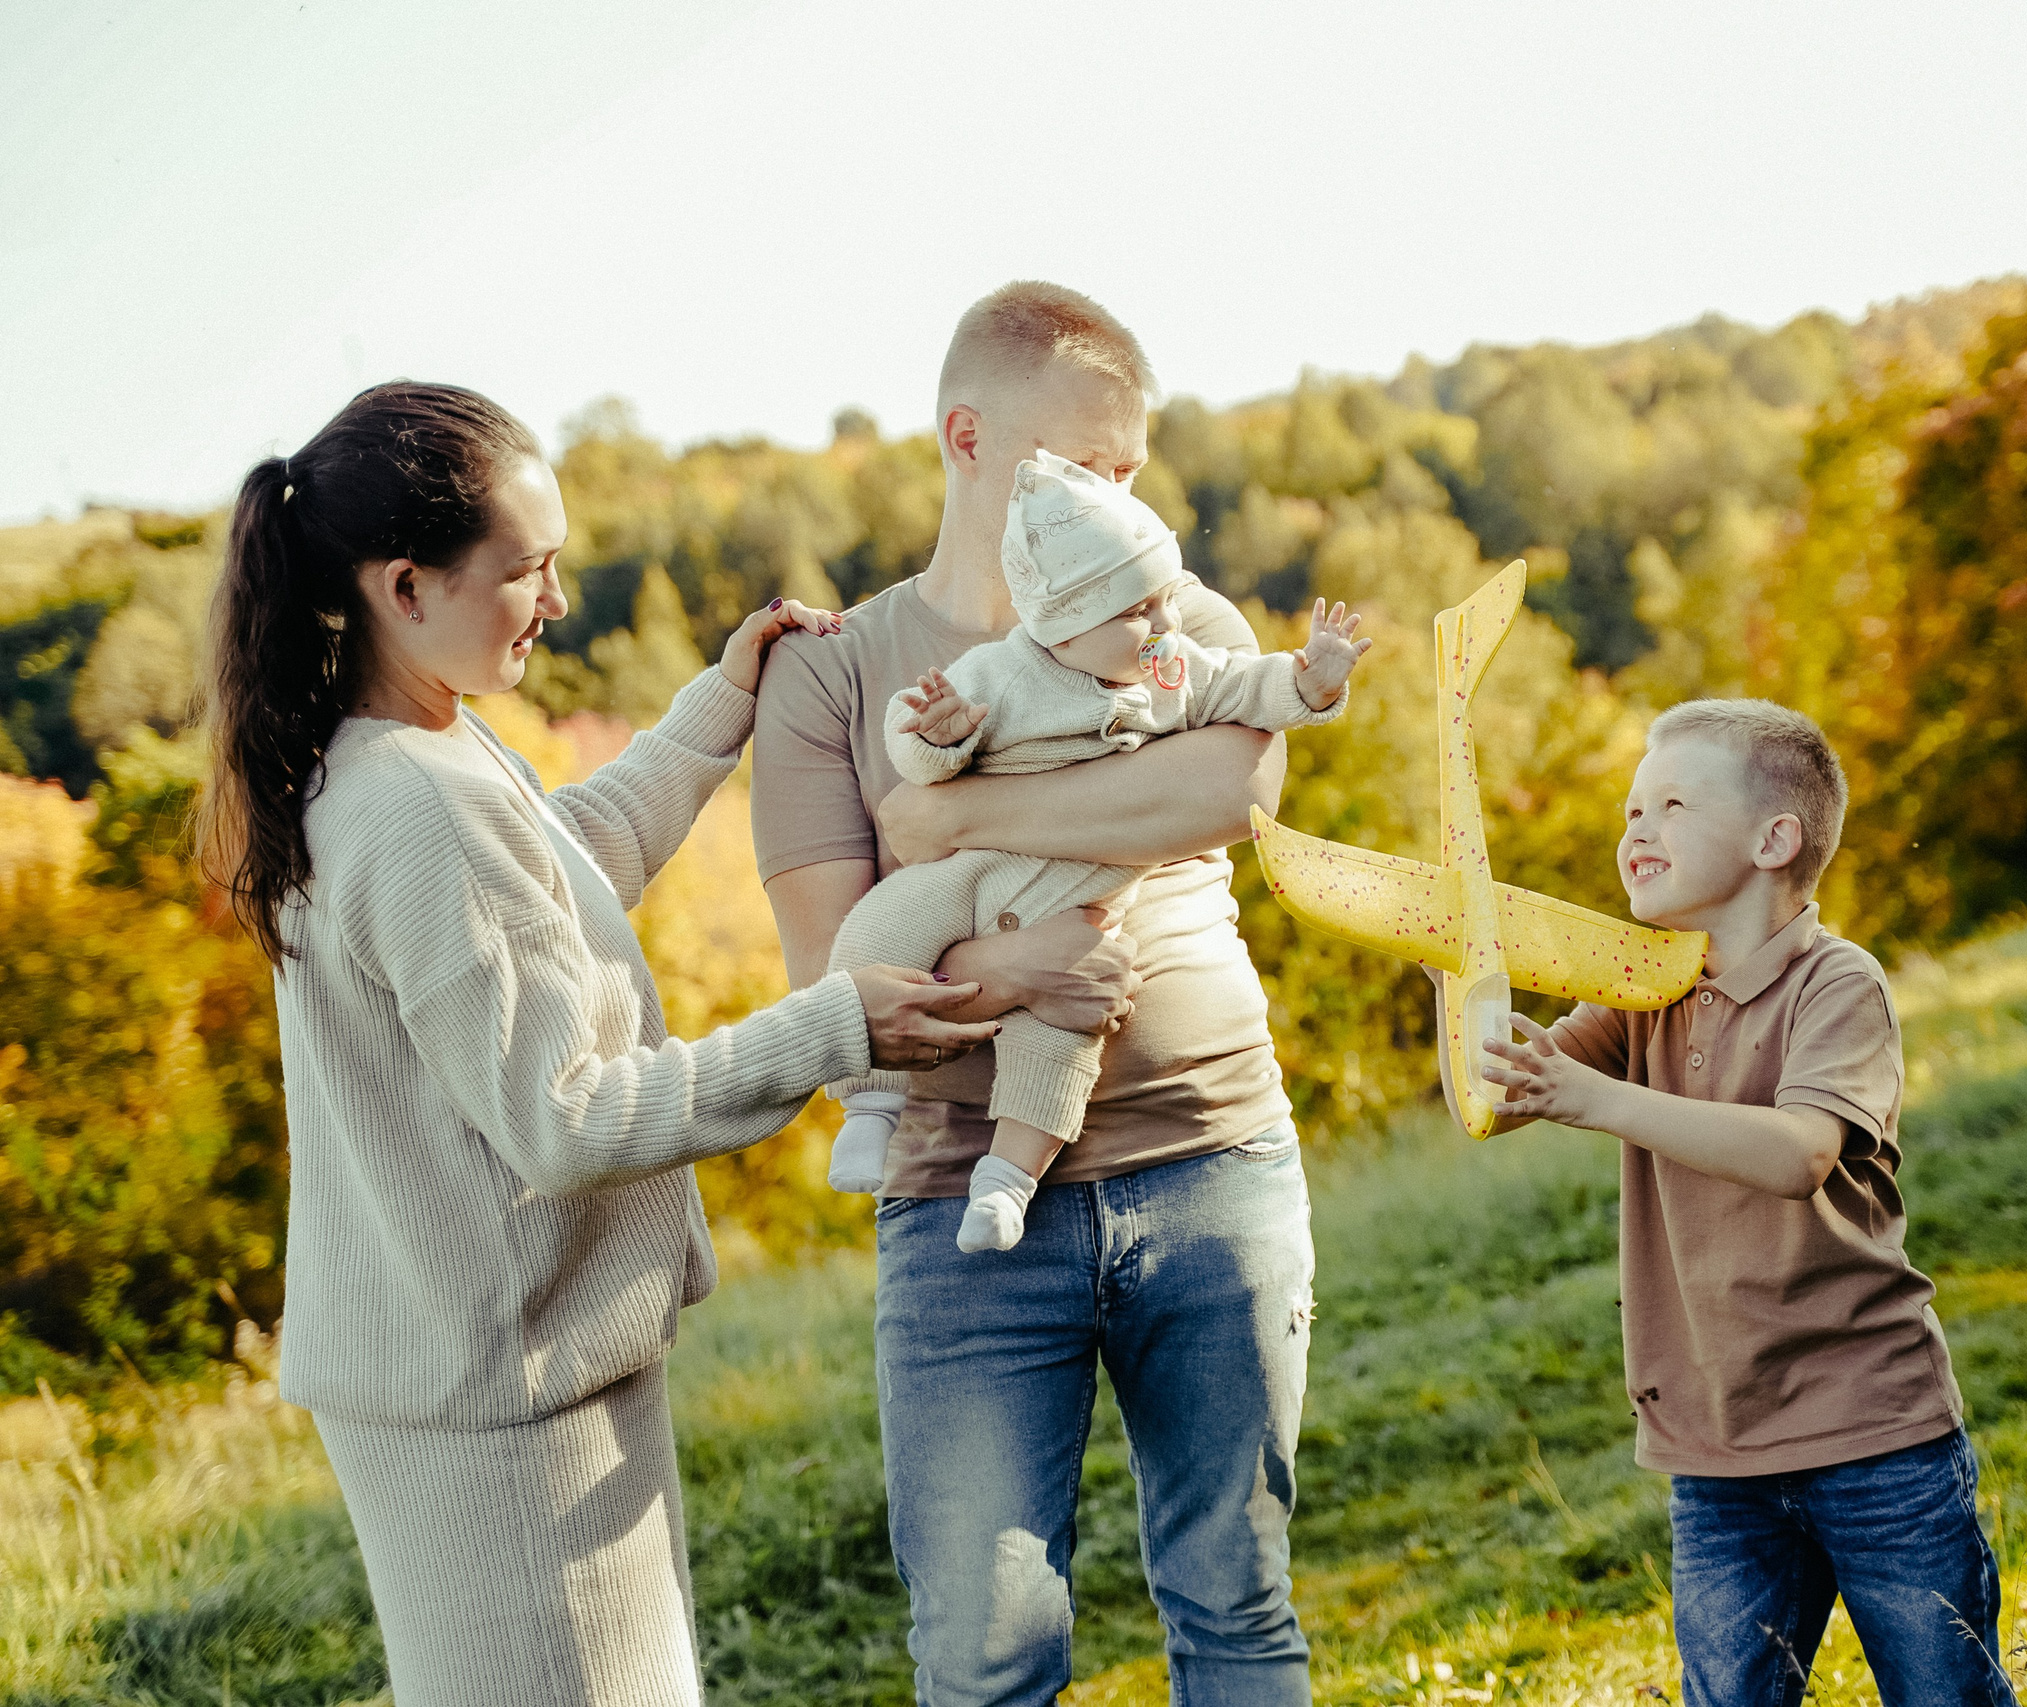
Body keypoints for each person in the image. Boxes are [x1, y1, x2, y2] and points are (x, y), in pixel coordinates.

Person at [197, 381, 1001, 1707]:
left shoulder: (407, 755)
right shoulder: (417, 808)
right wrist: (834, 1026)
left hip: (482, 1364)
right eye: (527, 569)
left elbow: (557, 881)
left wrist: (716, 709)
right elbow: (566, 1117)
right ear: (405, 586)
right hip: (501, 1395)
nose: (558, 598)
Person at [752, 283, 1317, 1707]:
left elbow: (1232, 788)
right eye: (1081, 461)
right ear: (967, 438)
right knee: (984, 1654)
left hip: (1213, 1160)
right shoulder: (833, 673)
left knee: (1238, 1602)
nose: (1111, 496)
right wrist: (1011, 971)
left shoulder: (1174, 612)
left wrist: (955, 815)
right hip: (959, 1209)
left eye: (1129, 468)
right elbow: (832, 982)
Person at [1433, 699, 2014, 1707]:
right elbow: (1495, 1099)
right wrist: (1462, 963)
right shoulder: (1637, 988)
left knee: (1943, 1692)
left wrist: (1599, 1098)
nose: (1636, 827)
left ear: (1772, 840)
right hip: (1713, 1449)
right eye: (1630, 809)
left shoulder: (1838, 984)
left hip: (1872, 1435)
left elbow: (1797, 1153)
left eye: (1671, 805)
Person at [822, 448, 1370, 1253]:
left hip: (1079, 910)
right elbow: (918, 747)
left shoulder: (1172, 672)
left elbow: (1246, 686)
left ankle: (1007, 1182)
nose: (1168, 624)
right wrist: (939, 736)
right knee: (879, 929)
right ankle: (868, 1105)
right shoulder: (1000, 674)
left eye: (1165, 599)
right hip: (974, 876)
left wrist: (1312, 683)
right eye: (1139, 610)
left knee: (1064, 1032)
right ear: (1063, 620)